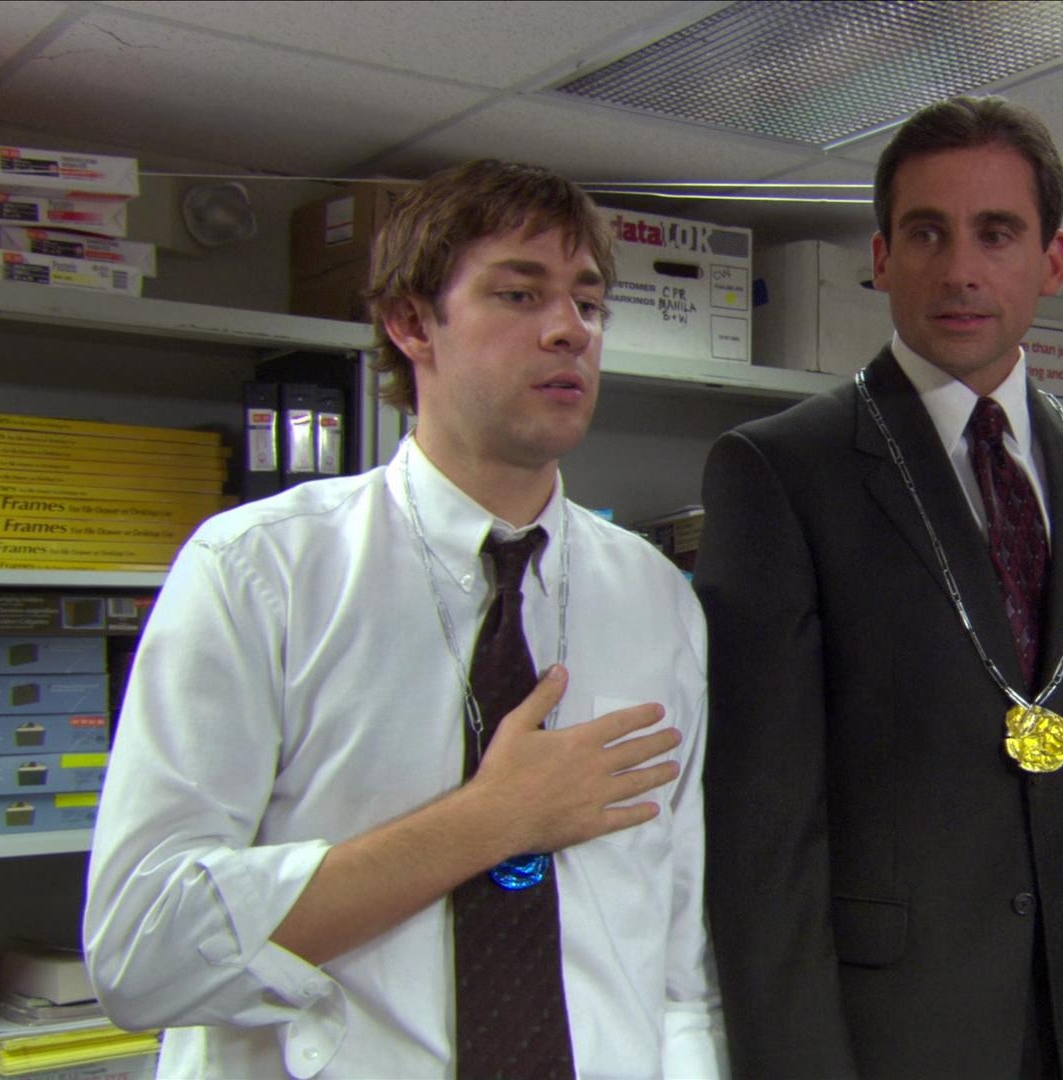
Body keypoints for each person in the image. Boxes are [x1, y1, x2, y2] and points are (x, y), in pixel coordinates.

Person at [83, 160, 724, 1079]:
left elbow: (676, 952)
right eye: (518, 293)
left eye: (588, 303)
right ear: (410, 322)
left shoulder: (656, 595)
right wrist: (491, 820)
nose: (567, 331)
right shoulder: (262, 570)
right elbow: (142, 951)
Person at [694, 95, 1063, 1080]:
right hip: (894, 1033)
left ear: (1052, 263)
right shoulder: (781, 471)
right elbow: (764, 833)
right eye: (927, 233)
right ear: (882, 256)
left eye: (997, 233)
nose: (960, 268)